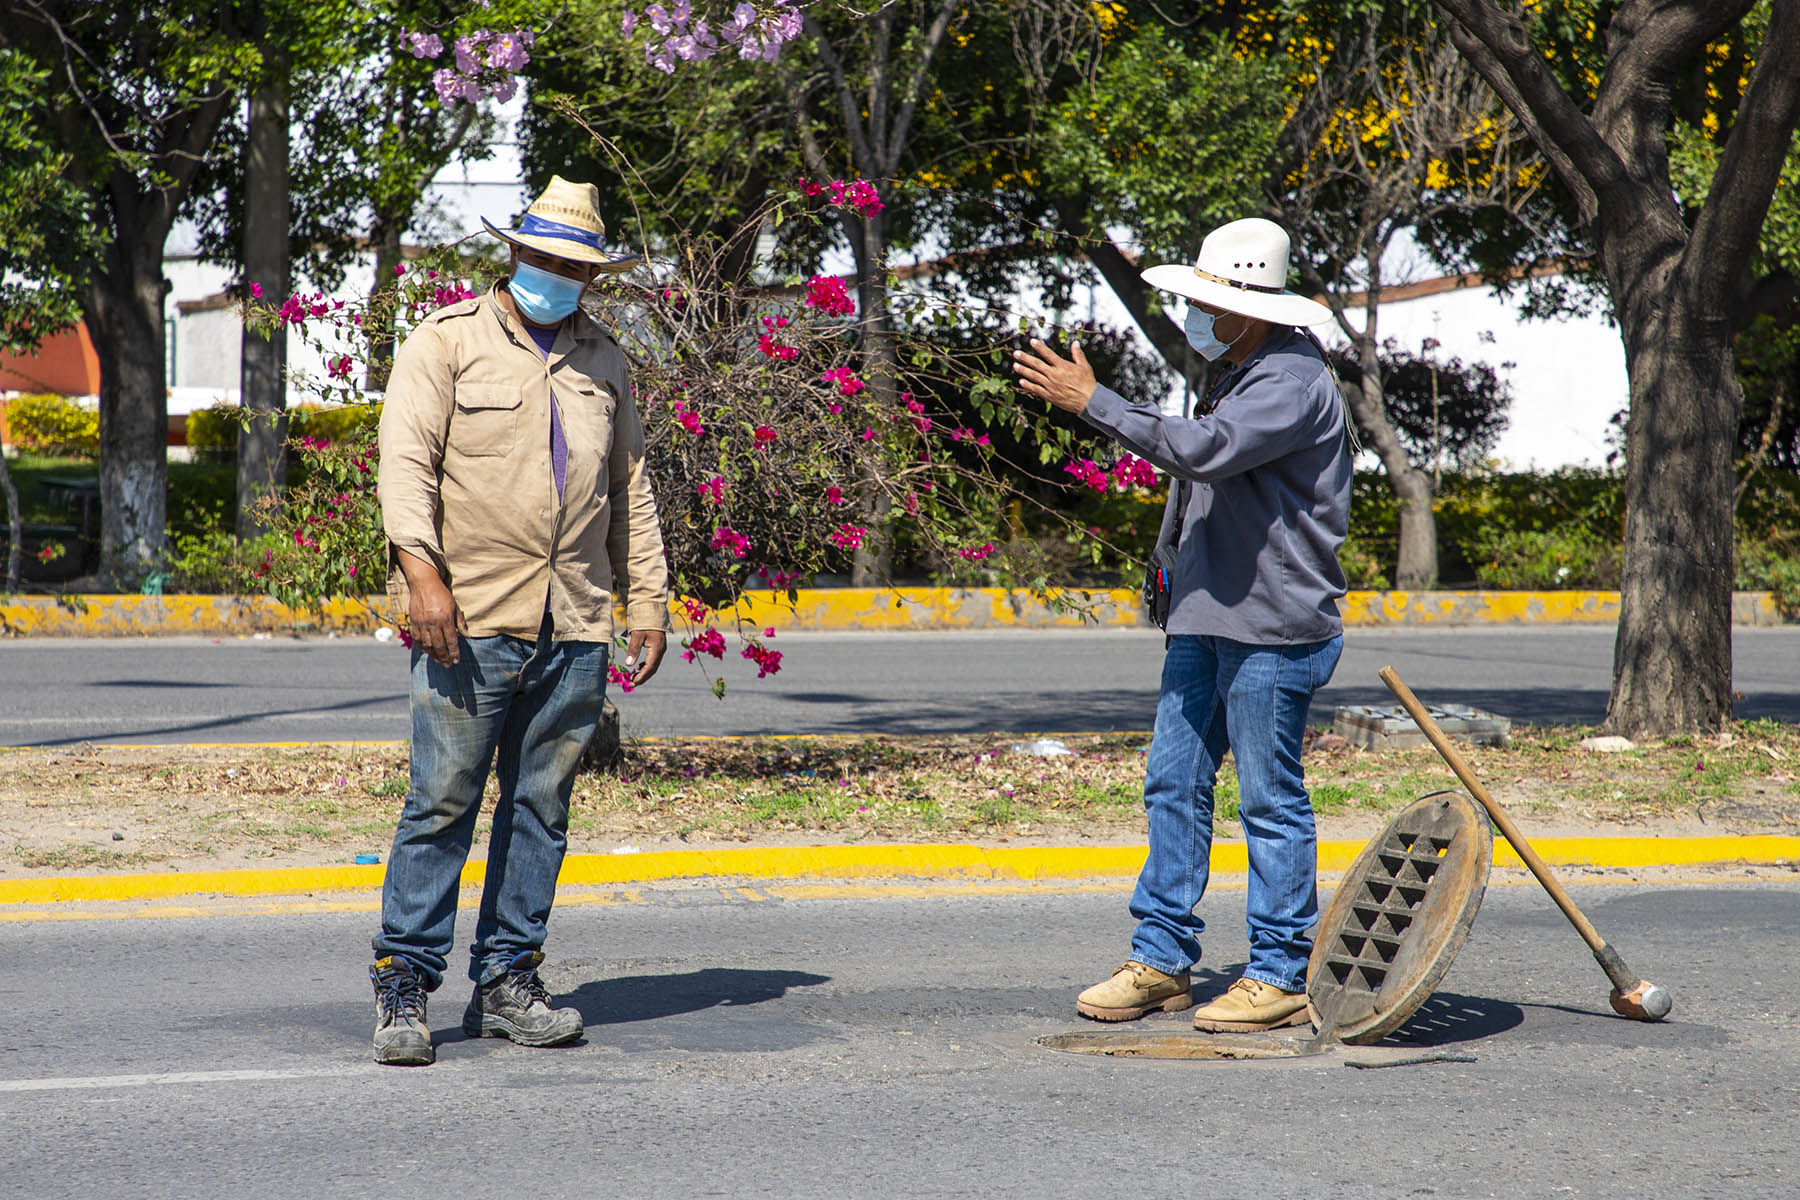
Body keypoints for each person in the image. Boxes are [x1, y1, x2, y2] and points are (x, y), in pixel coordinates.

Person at [1011, 217, 1351, 1033]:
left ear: (1249, 310)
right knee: (1173, 784)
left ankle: (1279, 973)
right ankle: (1161, 959)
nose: (1195, 316)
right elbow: (1198, 487)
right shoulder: (1239, 371)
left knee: (1269, 802)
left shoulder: (1290, 381)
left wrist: (1093, 401)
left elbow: (1204, 451)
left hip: (1270, 629)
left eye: (1207, 303)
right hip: (1204, 618)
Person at [368, 176, 673, 1065]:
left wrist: (648, 601)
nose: (556, 274)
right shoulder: (447, 340)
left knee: (541, 807)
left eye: (574, 266)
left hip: (573, 620)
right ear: (514, 253)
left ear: (593, 276)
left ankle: (507, 980)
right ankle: (404, 981)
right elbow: (404, 465)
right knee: (442, 802)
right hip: (468, 618)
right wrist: (423, 579)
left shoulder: (605, 359)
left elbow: (630, 488)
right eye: (544, 257)